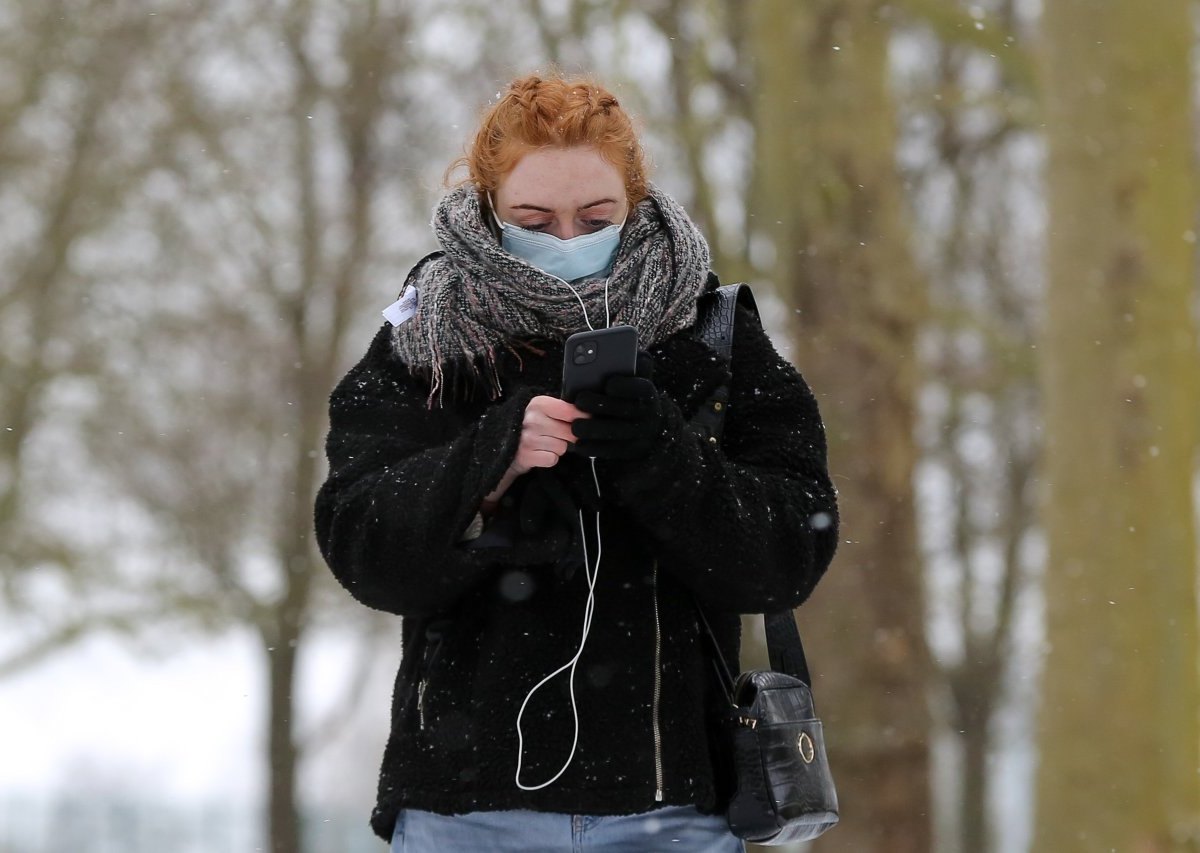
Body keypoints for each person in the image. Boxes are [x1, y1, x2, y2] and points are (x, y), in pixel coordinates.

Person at [313, 72, 838, 853]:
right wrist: (491, 460)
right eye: (533, 218)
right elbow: (363, 549)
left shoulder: (716, 337)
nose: (566, 239)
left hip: (675, 814)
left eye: (595, 216)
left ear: (636, 199)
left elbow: (787, 555)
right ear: (490, 210)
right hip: (464, 811)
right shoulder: (424, 340)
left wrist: (662, 452)